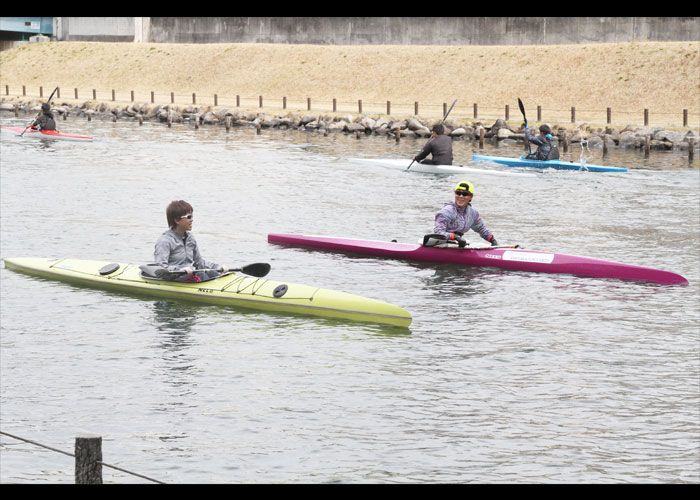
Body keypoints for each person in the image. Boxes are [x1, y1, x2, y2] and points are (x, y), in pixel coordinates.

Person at [154, 200, 228, 282]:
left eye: (192, 216)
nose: (192, 220)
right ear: (177, 220)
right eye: (189, 217)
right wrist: (180, 269)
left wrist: (217, 267)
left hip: (190, 275)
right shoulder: (165, 241)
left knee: (212, 273)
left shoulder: (190, 238)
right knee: (200, 274)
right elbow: (160, 267)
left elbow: (199, 263)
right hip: (173, 277)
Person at [433, 181, 498, 247]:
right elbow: (438, 232)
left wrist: (492, 240)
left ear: (471, 197)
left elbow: (481, 229)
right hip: (442, 245)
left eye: (465, 194)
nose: (461, 196)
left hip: (456, 244)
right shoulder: (446, 212)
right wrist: (455, 237)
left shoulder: (473, 213)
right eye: (458, 193)